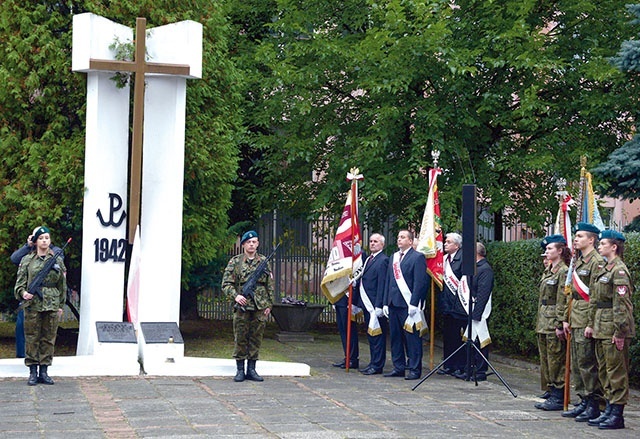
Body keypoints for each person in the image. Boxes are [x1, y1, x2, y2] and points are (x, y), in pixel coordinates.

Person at [583, 230, 635, 429]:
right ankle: (609, 409)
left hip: (613, 327)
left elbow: (622, 305)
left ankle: (617, 413)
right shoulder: (604, 269)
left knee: (616, 372)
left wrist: (620, 331)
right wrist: (591, 324)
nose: (599, 246)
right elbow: (595, 300)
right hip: (601, 326)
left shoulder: (618, 271)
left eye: (603, 243)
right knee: (604, 371)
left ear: (614, 247)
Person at [561, 222, 604, 421]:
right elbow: (573, 294)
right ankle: (583, 400)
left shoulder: (596, 261)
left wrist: (590, 322)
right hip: (576, 315)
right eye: (575, 236)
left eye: (580, 236)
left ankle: (593, 402)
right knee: (577, 364)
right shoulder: (579, 261)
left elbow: (595, 295)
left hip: (586, 315)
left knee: (588, 363)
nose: (576, 239)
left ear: (591, 239)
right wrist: (567, 319)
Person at [14, 226, 67, 386]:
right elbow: (19, 284)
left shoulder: (57, 260)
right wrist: (23, 294)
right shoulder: (27, 260)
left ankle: (44, 371)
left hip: (51, 303)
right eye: (41, 238)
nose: (44, 241)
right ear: (36, 241)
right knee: (32, 338)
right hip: (33, 304)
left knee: (48, 338)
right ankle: (32, 371)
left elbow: (62, 285)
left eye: (47, 238)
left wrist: (60, 306)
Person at [222, 230, 274, 382]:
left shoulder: (264, 261)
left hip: (260, 305)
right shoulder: (235, 262)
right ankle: (240, 370)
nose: (251, 244)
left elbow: (269, 285)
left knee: (256, 337)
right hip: (242, 304)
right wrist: (236, 296)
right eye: (249, 242)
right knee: (241, 336)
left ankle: (251, 369)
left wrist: (269, 304)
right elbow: (226, 284)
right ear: (243, 244)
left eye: (254, 242)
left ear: (257, 244)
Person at [383, 230, 430, 380]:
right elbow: (388, 281)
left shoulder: (417, 257)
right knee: (396, 338)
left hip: (408, 305)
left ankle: (415, 369)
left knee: (412, 338)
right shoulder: (394, 257)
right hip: (393, 303)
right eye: (398, 237)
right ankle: (399, 367)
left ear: (410, 241)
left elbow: (420, 282)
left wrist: (414, 303)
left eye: (403, 237)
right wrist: (385, 302)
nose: (399, 240)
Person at [534, 235, 570, 411]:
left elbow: (562, 298)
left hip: (552, 319)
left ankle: (559, 393)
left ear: (560, 251)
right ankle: (551, 387)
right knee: (547, 357)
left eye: (549, 249)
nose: (546, 252)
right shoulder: (549, 270)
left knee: (556, 358)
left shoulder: (563, 271)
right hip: (544, 319)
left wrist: (559, 322)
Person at [454, 242, 494, 382]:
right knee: (470, 342)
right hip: (468, 311)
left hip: (479, 313)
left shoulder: (485, 269)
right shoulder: (473, 268)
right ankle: (469, 368)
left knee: (480, 342)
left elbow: (483, 294)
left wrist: (476, 315)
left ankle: (480, 370)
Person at [357, 233, 389, 375]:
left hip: (375, 305)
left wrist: (380, 305)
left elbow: (382, 284)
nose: (372, 244)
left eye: (376, 241)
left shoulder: (383, 260)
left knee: (378, 337)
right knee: (371, 335)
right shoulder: (369, 259)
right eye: (370, 241)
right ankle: (372, 362)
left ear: (382, 244)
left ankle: (377, 365)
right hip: (367, 304)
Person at [436, 232, 466, 377]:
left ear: (457, 245)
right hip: (446, 304)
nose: (445, 244)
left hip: (458, 306)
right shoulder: (444, 259)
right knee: (448, 337)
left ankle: (460, 365)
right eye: (445, 241)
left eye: (448, 242)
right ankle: (448, 364)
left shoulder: (462, 259)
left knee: (458, 338)